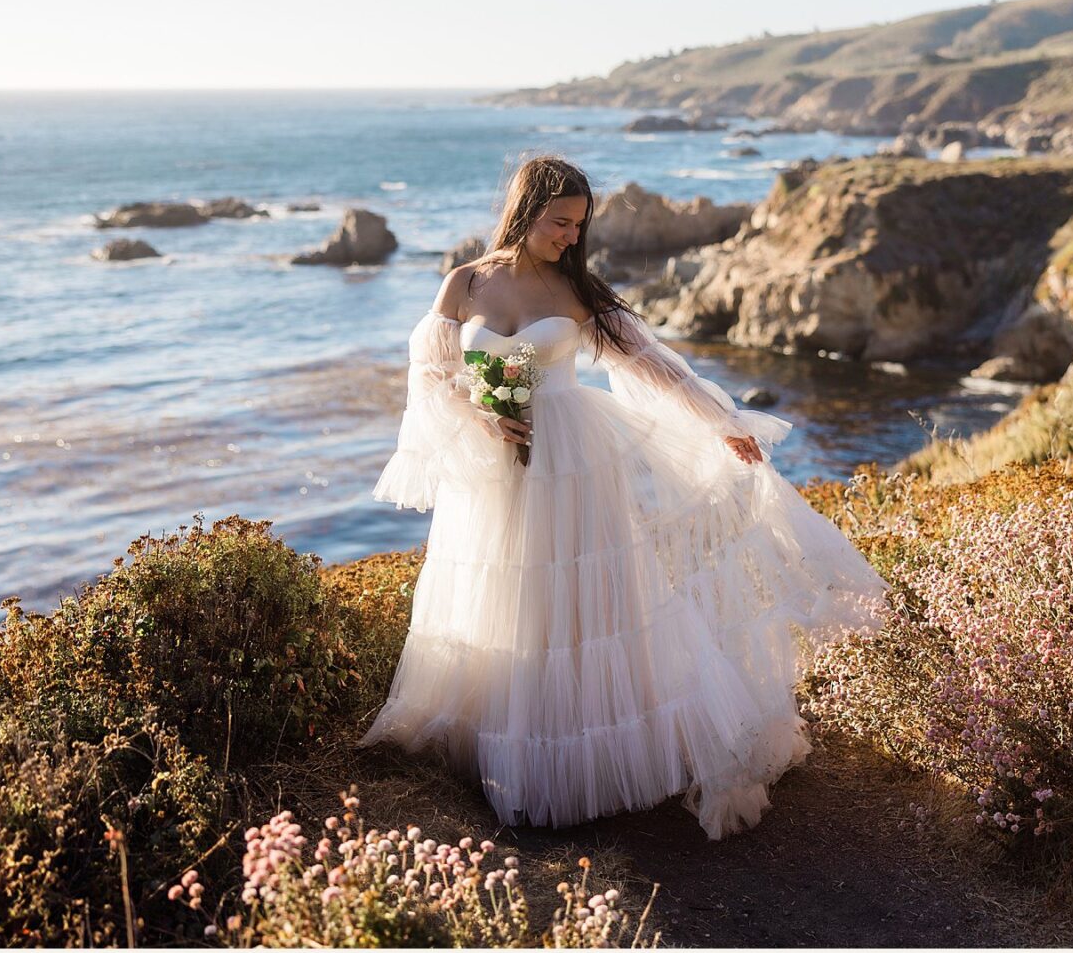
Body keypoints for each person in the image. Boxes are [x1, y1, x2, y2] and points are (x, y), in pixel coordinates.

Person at [361, 153, 889, 839]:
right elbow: (430, 378)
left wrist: (723, 422)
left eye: (580, 225)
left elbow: (656, 366)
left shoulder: (577, 290)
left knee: (586, 603)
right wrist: (482, 413)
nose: (571, 237)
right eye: (560, 222)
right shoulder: (464, 282)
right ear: (525, 213)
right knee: (511, 597)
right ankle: (507, 743)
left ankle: (595, 755)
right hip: (494, 468)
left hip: (575, 464)